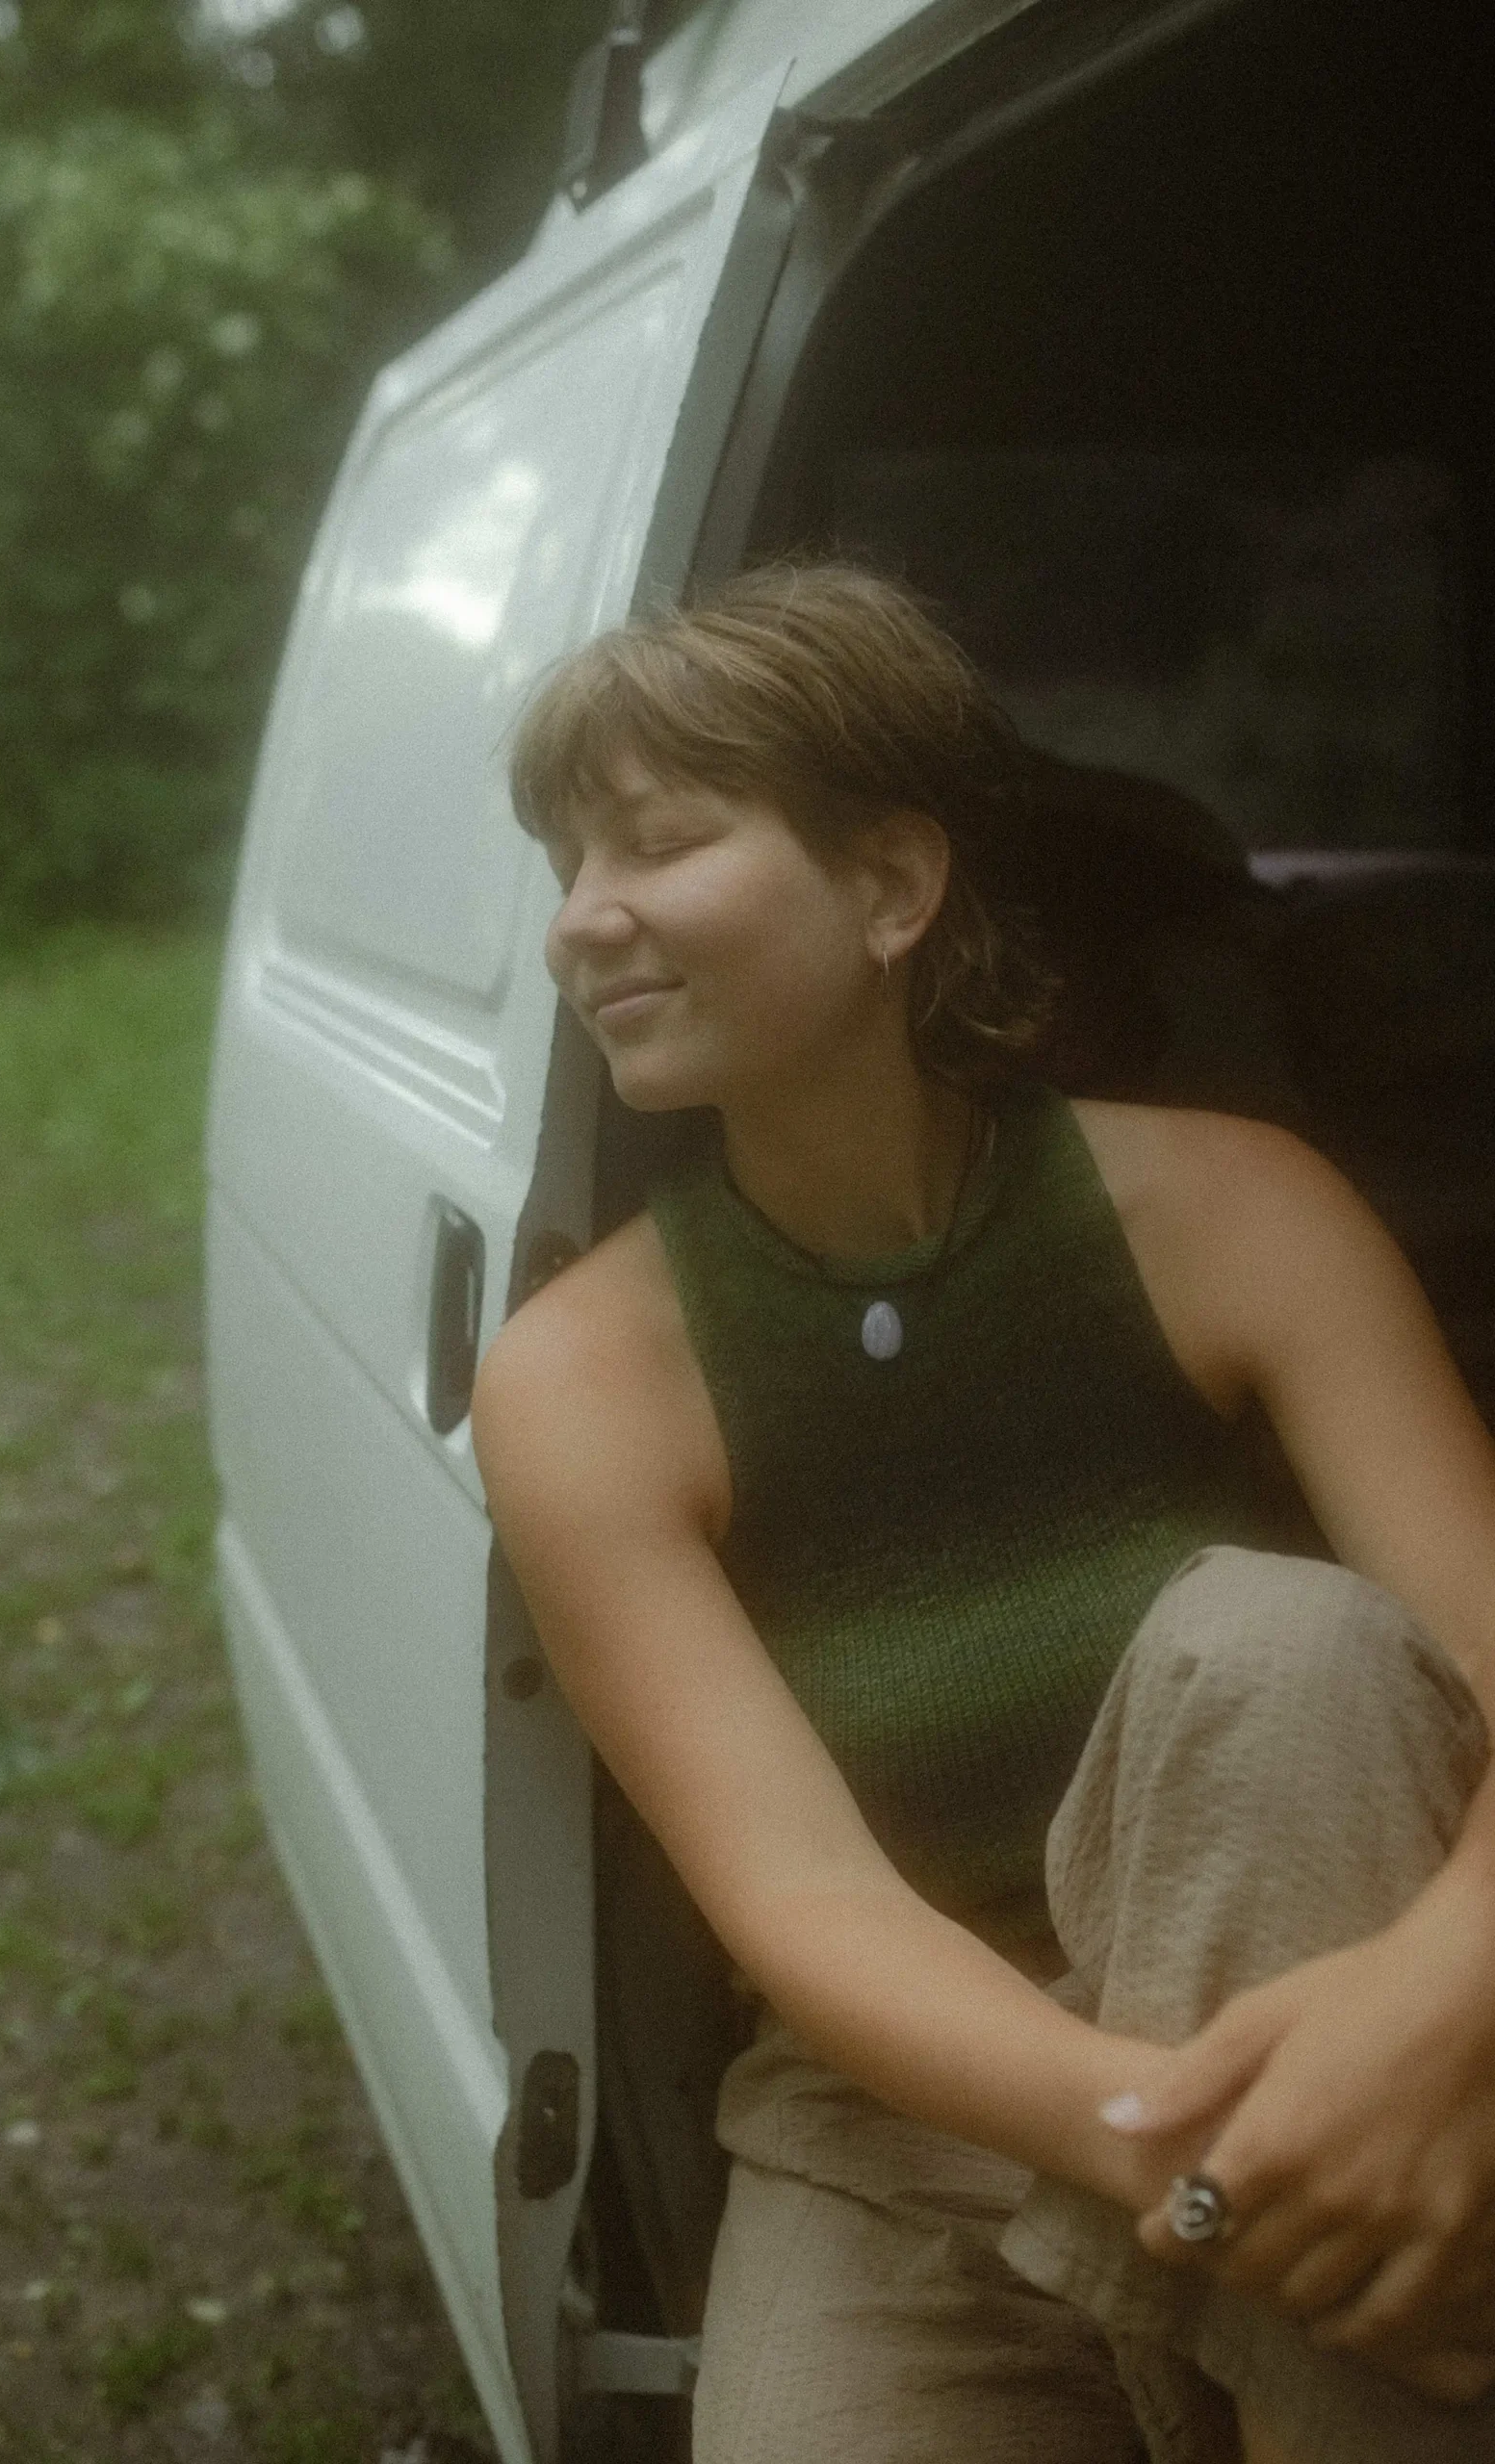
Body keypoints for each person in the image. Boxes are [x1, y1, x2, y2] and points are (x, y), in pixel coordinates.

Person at [469, 564, 1495, 2464]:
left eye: (659, 844)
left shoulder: (1235, 1208)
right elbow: (805, 1899)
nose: (581, 920)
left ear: (889, 886)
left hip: (1365, 1998)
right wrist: (1209, 2172)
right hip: (904, 2108)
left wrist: (1432, 2025)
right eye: (565, 862)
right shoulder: (578, 1379)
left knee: (1281, 1648)